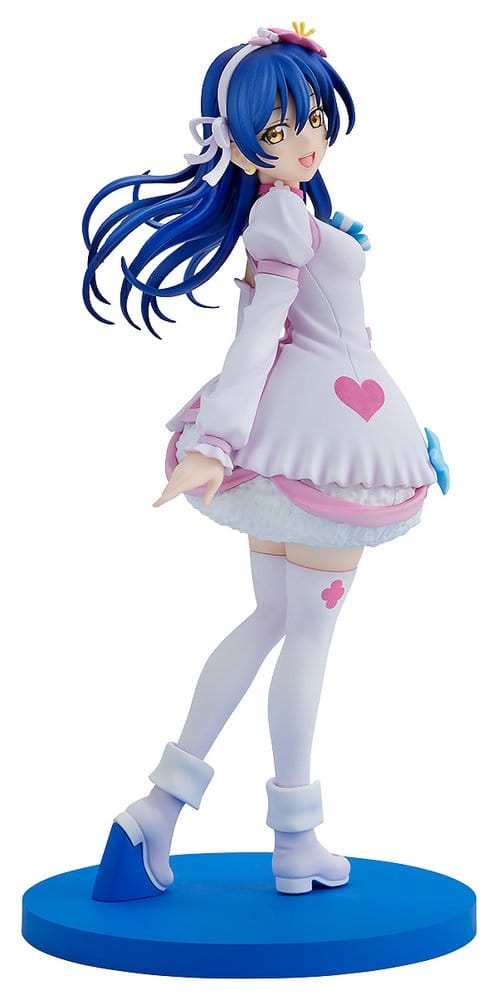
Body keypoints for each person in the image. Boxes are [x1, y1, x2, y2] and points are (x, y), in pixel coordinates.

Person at [83, 24, 449, 901]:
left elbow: (322, 329)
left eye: (313, 119)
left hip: (319, 428)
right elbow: (258, 337)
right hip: (320, 457)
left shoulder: (293, 214)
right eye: (279, 130)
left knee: (272, 621)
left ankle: (158, 809)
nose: (306, 140)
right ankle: (296, 839)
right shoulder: (282, 216)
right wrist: (214, 442)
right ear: (241, 146)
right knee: (308, 636)